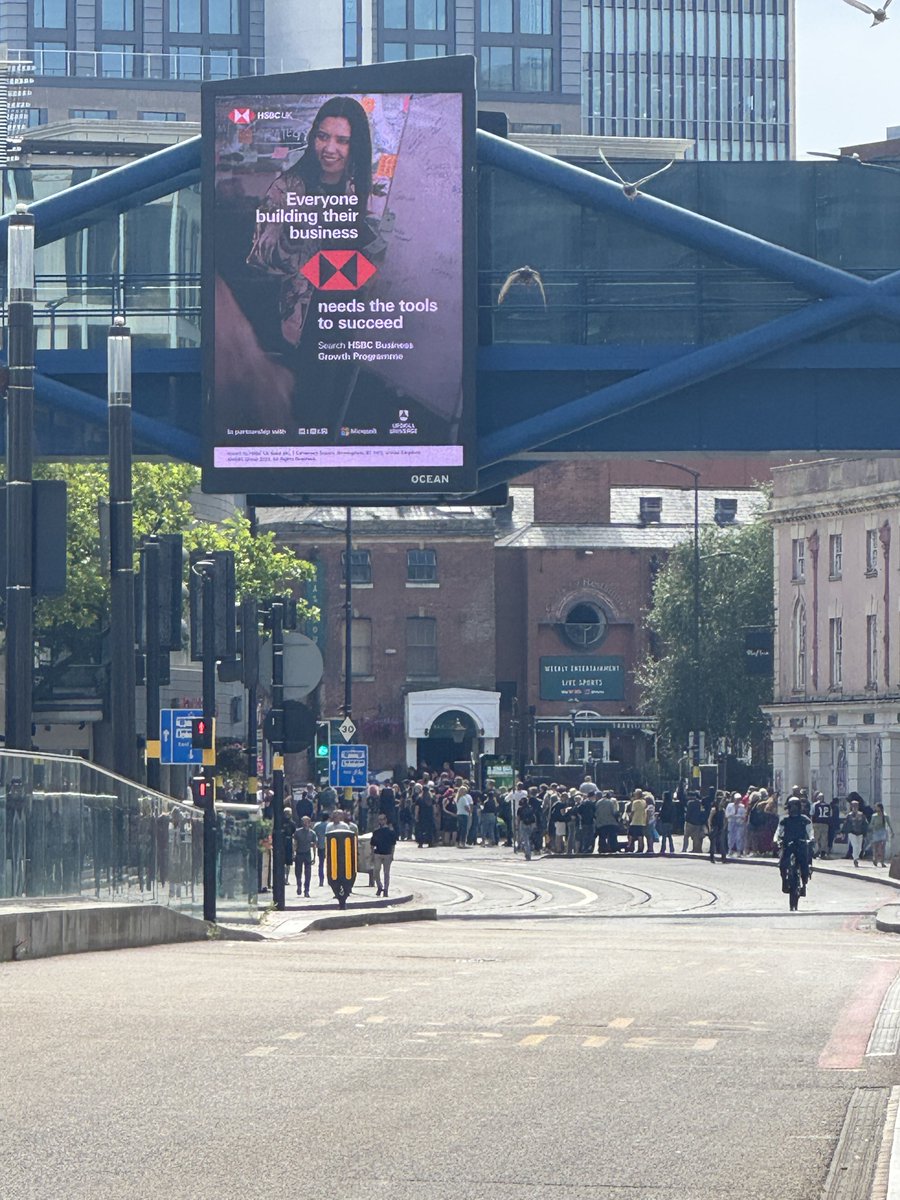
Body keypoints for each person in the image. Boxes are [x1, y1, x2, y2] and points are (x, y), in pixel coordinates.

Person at [774, 797, 815, 893]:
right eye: (791, 806)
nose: (793, 808)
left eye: (795, 805)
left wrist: (811, 838)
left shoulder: (805, 819)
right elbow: (778, 831)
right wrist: (776, 839)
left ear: (799, 807)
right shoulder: (784, 819)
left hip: (801, 843)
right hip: (788, 844)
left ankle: (804, 882)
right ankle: (784, 881)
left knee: (804, 862)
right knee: (782, 864)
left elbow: (810, 830)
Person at [371, 813, 398, 897]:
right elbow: (372, 845)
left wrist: (392, 855)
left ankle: (386, 889)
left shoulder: (390, 832)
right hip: (378, 853)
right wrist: (372, 855)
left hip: (387, 854)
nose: (381, 821)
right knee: (376, 871)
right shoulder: (376, 832)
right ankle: (379, 886)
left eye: (383, 819)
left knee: (386, 873)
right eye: (380, 819)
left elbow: (393, 844)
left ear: (386, 820)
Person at [293, 816, 317, 897]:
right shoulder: (297, 832)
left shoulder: (312, 833)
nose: (305, 823)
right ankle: (299, 885)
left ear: (309, 823)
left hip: (307, 854)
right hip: (299, 853)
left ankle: (306, 890)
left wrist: (314, 856)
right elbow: (295, 843)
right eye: (303, 821)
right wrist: (293, 853)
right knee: (298, 872)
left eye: (306, 822)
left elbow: (314, 845)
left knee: (308, 873)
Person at [843, 798, 869, 867]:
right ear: (851, 806)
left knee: (859, 847)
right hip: (852, 832)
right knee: (855, 845)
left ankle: (856, 857)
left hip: (860, 833)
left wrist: (865, 832)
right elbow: (845, 824)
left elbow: (865, 824)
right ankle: (855, 859)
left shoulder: (862, 815)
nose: (854, 807)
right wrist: (843, 832)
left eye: (856, 806)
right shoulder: (849, 815)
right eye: (853, 806)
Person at [870, 803, 893, 868]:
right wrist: (873, 827)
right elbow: (871, 824)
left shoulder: (885, 816)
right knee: (876, 847)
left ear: (880, 808)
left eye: (876, 807)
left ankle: (882, 862)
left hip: (882, 832)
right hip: (876, 832)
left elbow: (889, 824)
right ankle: (875, 859)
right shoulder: (874, 816)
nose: (875, 808)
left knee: (882, 848)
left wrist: (892, 832)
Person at [811, 792, 832, 859]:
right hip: (825, 823)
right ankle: (823, 852)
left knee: (816, 838)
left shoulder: (815, 805)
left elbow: (812, 813)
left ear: (817, 798)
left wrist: (812, 822)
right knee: (824, 838)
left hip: (817, 823)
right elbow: (830, 815)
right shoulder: (828, 805)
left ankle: (814, 852)